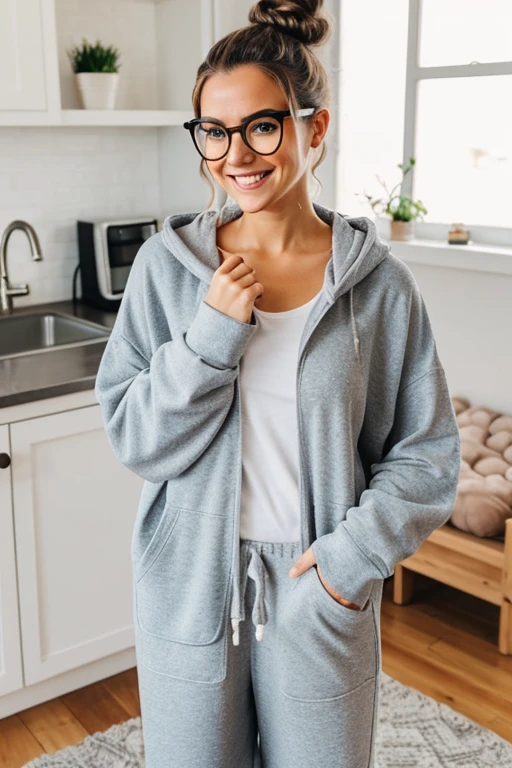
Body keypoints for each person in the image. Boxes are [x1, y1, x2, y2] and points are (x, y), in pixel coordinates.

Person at [94, 1, 461, 766]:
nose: (236, 155)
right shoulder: (169, 271)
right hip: (191, 585)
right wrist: (210, 336)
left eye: (261, 125)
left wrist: (345, 565)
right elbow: (135, 435)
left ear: (311, 128)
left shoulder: (378, 285)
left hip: (318, 589)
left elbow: (426, 453)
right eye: (213, 132)